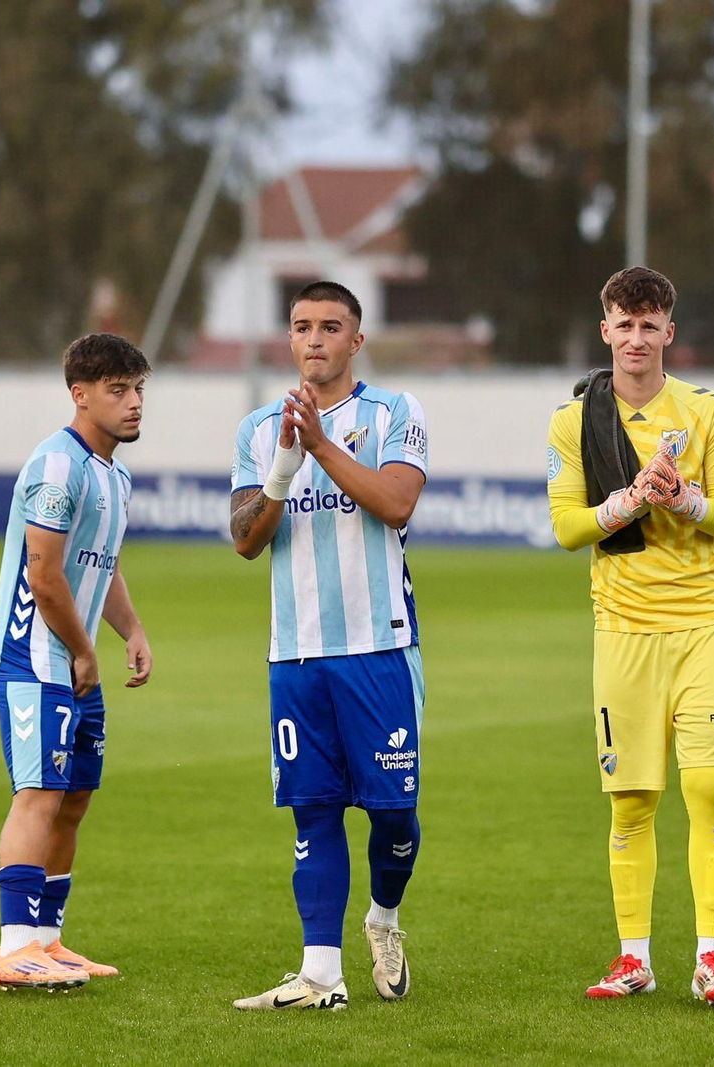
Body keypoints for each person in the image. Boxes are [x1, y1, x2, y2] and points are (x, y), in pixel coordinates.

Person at [546, 266, 714, 1007]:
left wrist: (685, 498)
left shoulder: (708, 412)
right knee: (630, 801)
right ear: (605, 332)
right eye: (623, 325)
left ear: (670, 331)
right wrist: (628, 500)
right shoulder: (574, 421)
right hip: (623, 628)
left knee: (706, 785)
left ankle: (712, 957)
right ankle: (634, 957)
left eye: (649, 324)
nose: (636, 338)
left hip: (706, 622)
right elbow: (568, 528)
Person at [228, 281, 429, 1012]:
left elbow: (396, 502)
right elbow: (248, 539)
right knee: (313, 809)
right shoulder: (257, 427)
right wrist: (286, 460)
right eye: (302, 326)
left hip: (379, 647)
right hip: (297, 652)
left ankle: (383, 915)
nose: (314, 339)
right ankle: (320, 974)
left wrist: (318, 445)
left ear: (356, 339)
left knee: (394, 817)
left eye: (330, 327)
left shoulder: (393, 414)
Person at [0, 333, 153, 989]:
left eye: (139, 389)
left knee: (74, 796)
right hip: (33, 656)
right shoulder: (58, 466)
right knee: (40, 792)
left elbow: (99, 565)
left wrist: (130, 628)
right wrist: (84, 650)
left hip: (73, 658)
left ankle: (48, 940)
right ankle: (13, 946)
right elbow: (45, 574)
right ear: (80, 395)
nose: (135, 403)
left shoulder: (115, 472)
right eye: (119, 390)